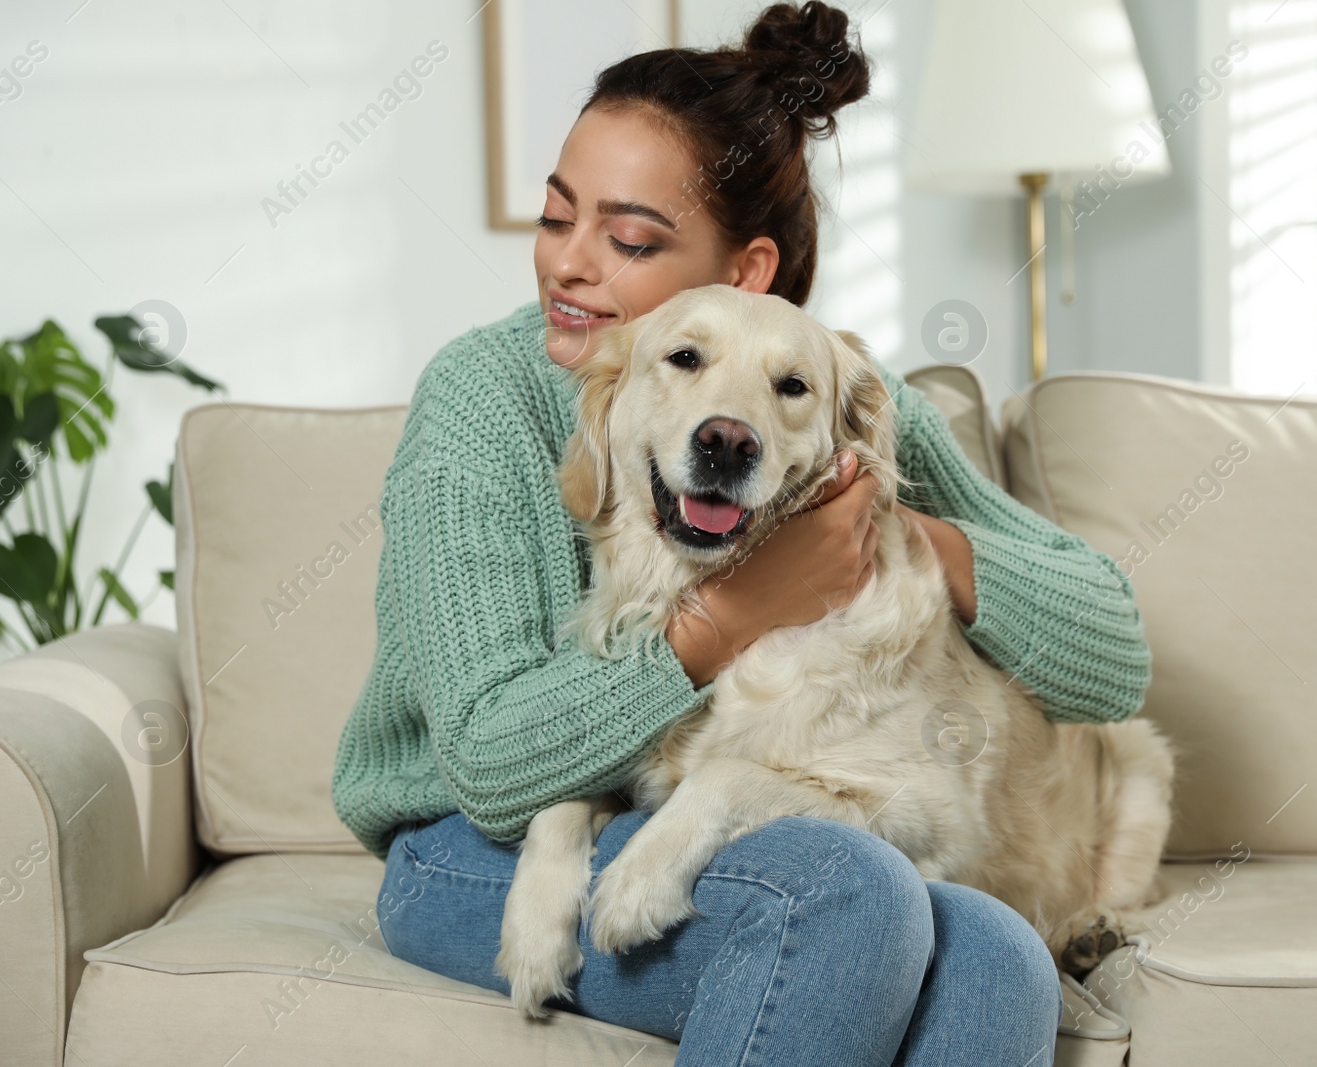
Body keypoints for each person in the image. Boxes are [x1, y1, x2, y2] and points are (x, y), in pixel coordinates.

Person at [331, 3, 1153, 1064]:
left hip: (691, 809)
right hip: (469, 844)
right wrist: (739, 612)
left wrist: (907, 537)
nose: (569, 266)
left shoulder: (839, 395)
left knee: (999, 950)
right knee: (848, 892)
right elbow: (491, 766)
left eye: (628, 239)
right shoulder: (483, 397)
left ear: (748, 273)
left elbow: (1114, 654)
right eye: (555, 217)